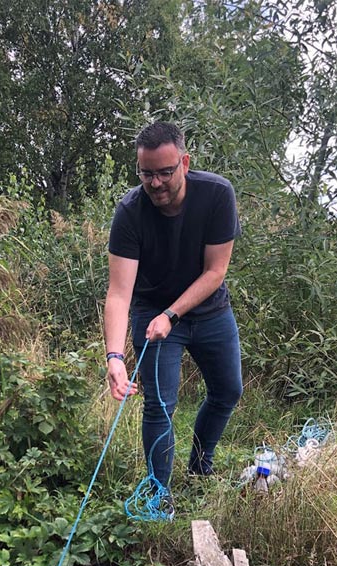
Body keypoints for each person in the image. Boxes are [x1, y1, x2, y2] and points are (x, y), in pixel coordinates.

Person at [103, 121, 241, 504]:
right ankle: (158, 494)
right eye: (147, 174)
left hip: (209, 310)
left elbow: (216, 271)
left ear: (184, 162)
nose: (156, 183)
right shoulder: (130, 212)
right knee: (160, 405)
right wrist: (114, 356)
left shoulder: (216, 194)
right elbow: (118, 293)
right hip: (151, 313)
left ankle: (200, 466)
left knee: (228, 391)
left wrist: (173, 313)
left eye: (165, 172)